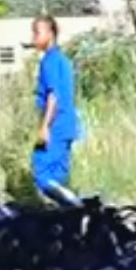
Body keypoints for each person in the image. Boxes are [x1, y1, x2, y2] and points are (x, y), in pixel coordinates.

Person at [30, 15, 82, 207]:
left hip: (56, 126)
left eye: (37, 32)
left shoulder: (49, 61)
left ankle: (78, 209)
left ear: (50, 34)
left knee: (42, 175)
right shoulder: (63, 60)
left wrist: (45, 127)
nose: (33, 37)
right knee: (58, 176)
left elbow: (54, 96)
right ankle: (70, 222)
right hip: (69, 125)